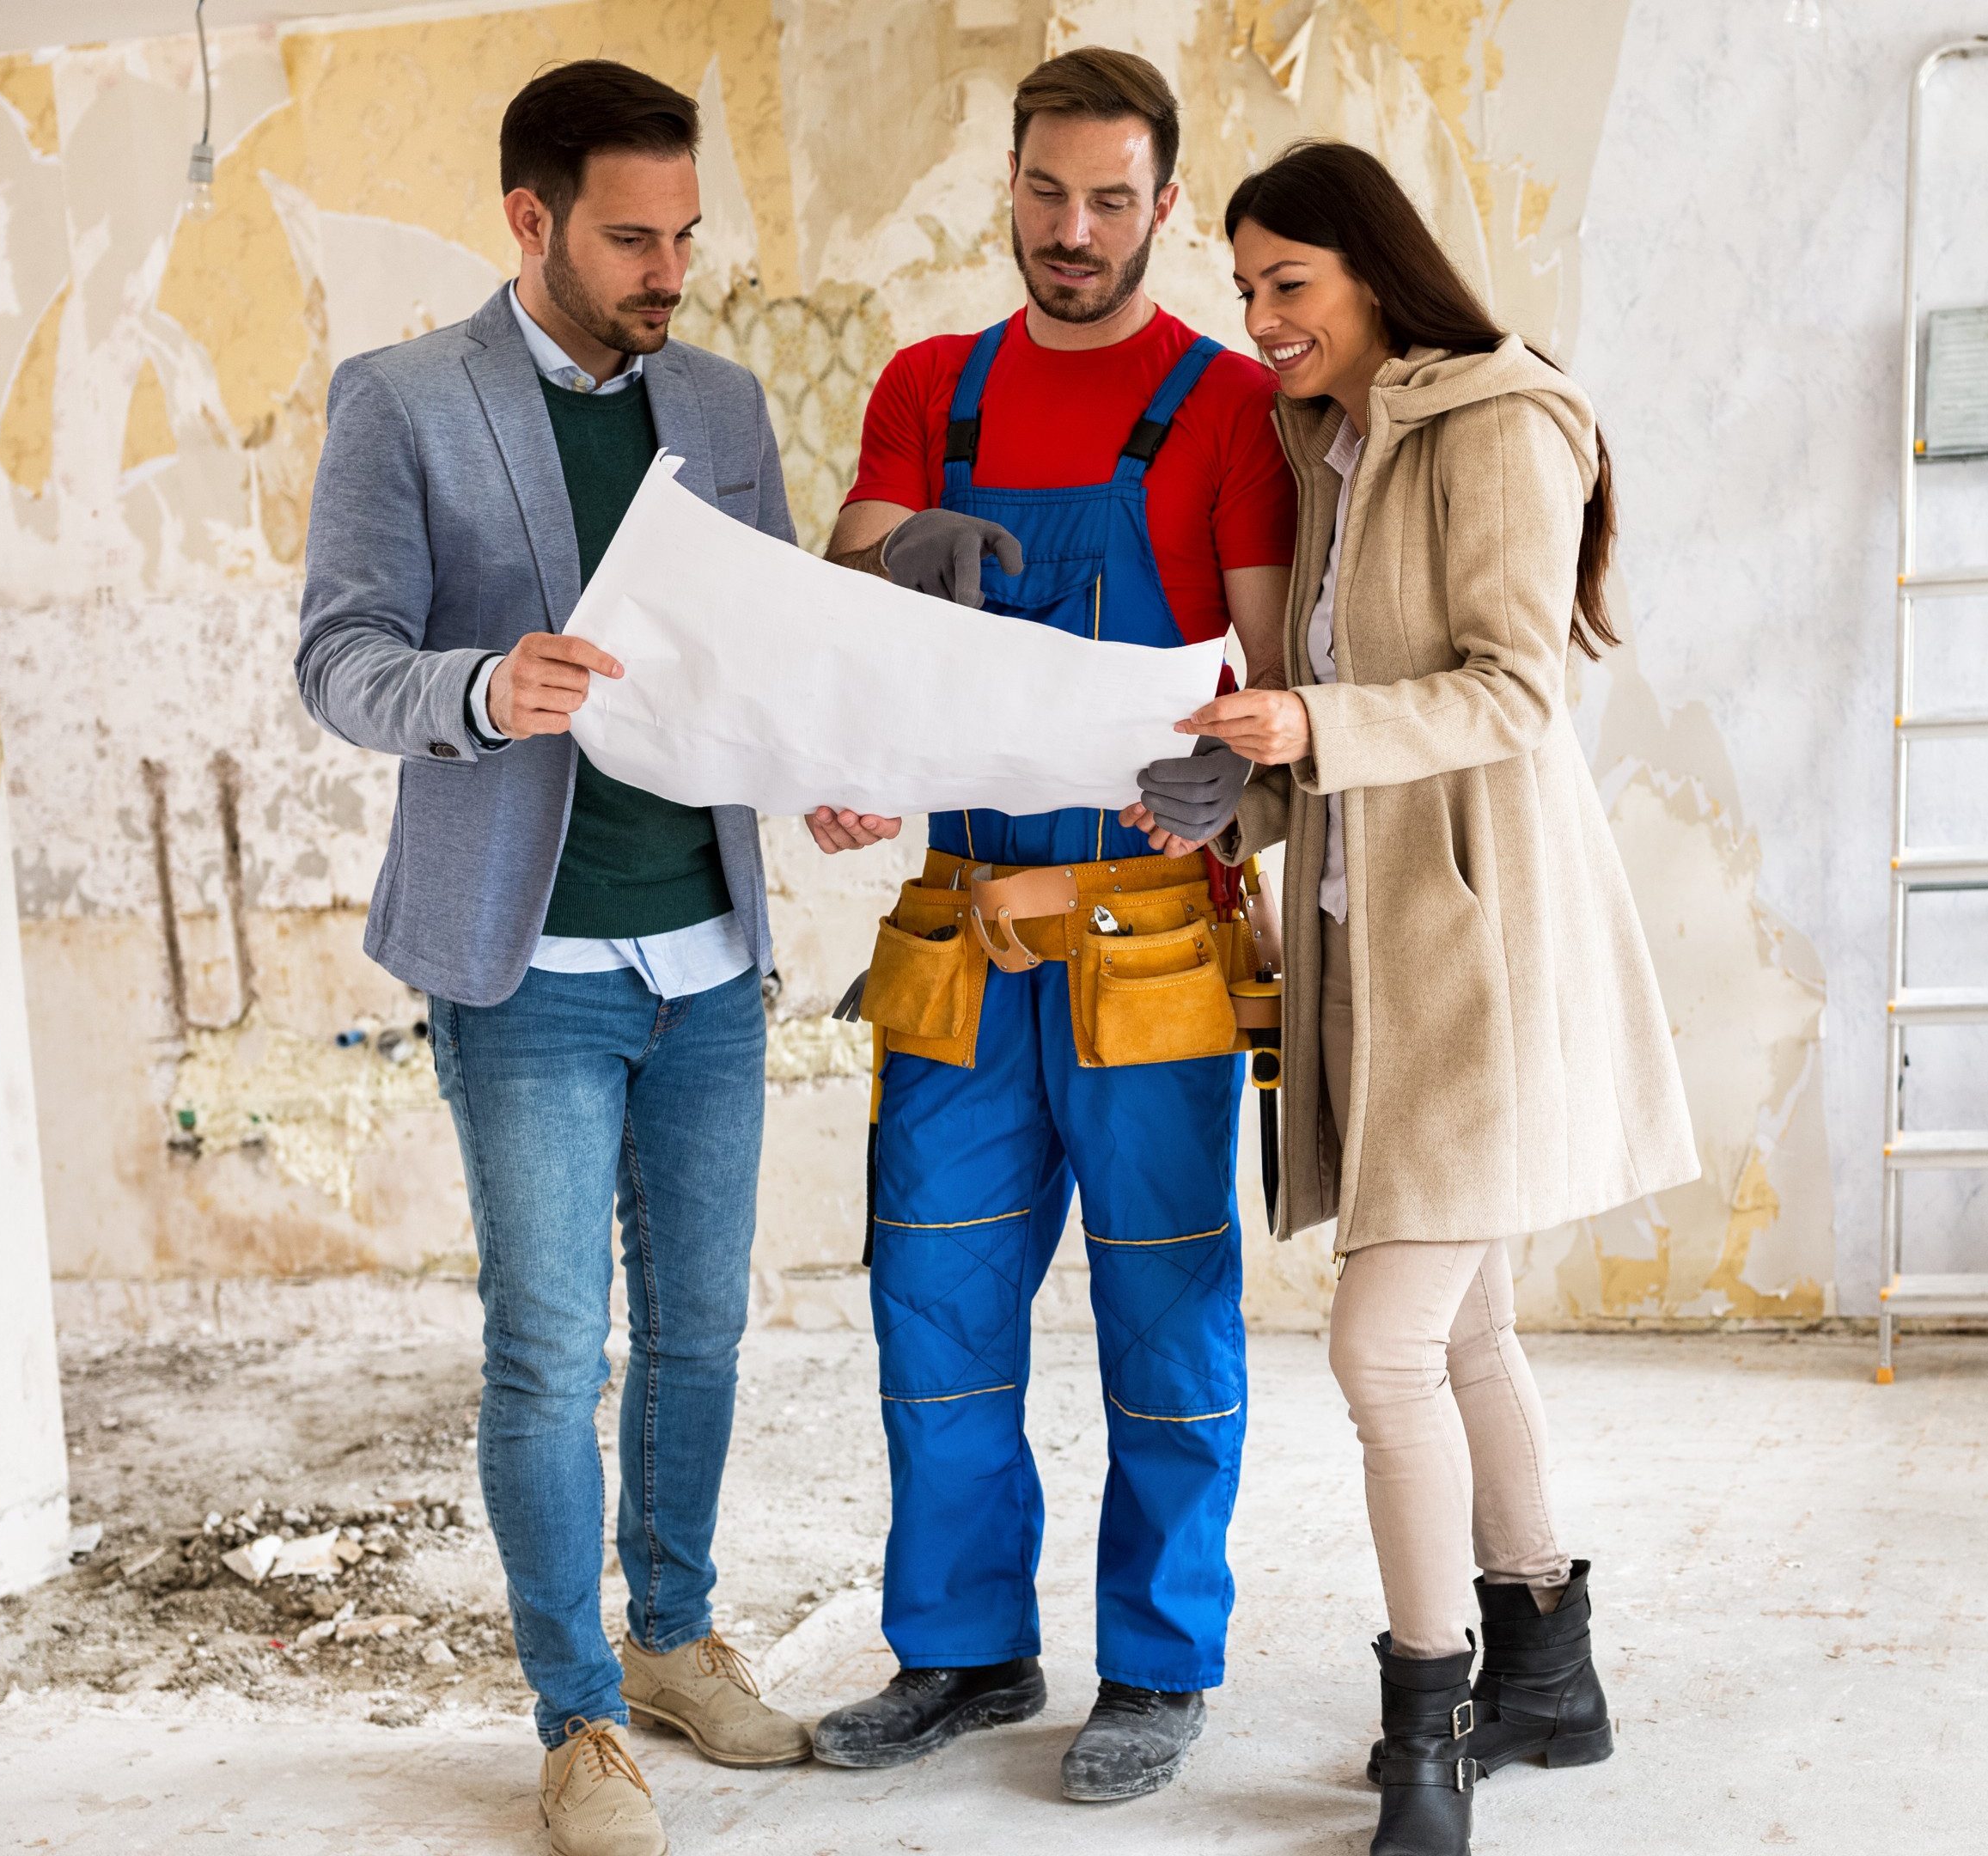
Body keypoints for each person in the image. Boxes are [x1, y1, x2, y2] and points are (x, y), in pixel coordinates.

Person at [1121, 139, 1699, 1856]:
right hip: (1373, 947)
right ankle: (1551, 1680)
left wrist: (1317, 733)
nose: (1262, 319)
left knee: (1381, 1344)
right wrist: (1251, 773)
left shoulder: (1501, 422)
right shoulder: (1328, 442)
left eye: (1289, 284)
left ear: (1376, 271)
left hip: (1485, 952)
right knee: (1460, 1331)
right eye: (1243, 291)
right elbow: (1333, 691)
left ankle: (1429, 1730)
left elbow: (1516, 692)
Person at [295, 59, 834, 1856]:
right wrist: (473, 687)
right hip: (523, 966)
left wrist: (819, 770)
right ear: (529, 221)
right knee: (548, 1350)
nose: (669, 265)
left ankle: (673, 1639)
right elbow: (339, 658)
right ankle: (579, 1721)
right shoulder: (402, 402)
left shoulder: (724, 402)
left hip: (709, 954)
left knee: (700, 1331)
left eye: (685, 231)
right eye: (630, 236)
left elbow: (759, 654)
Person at [802, 47, 1296, 1806]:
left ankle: (1157, 1665)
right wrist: (876, 616)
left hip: (1147, 932)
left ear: (1165, 206)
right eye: (1043, 193)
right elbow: (844, 635)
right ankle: (961, 1650)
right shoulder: (927, 388)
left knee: (1168, 1321)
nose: (1070, 232)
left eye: (1108, 200)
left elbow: (1259, 664)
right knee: (933, 1310)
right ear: (1003, 186)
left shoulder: (1229, 404)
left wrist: (1232, 785)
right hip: (955, 934)